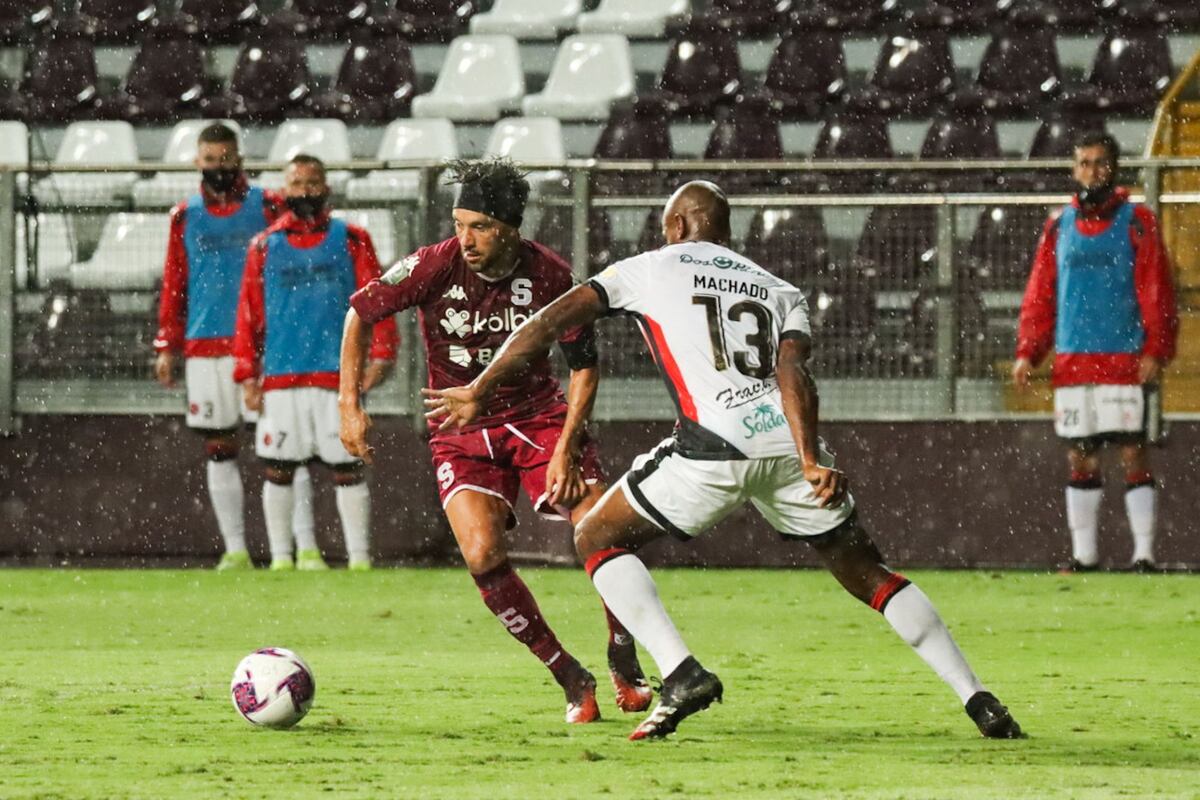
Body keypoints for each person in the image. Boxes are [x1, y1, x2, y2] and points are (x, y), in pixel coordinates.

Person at [424, 180, 1025, 742]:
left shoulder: (652, 267)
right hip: (787, 446)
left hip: (713, 444)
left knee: (596, 536)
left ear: (678, 226)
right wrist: (810, 458)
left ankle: (680, 671)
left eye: (665, 226)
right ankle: (978, 698)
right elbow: (794, 373)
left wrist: (479, 387)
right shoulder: (779, 289)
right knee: (871, 574)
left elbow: (546, 324)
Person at [338, 158, 651, 724]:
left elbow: (584, 366)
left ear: (510, 227)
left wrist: (566, 448)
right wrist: (349, 406)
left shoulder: (551, 276)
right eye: (459, 224)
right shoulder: (434, 265)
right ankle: (569, 675)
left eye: (479, 227)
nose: (466, 240)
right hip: (460, 429)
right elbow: (359, 312)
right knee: (481, 553)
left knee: (600, 526)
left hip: (538, 419)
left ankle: (623, 652)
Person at [1012, 131, 1178, 573]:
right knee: (1079, 455)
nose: (1092, 171)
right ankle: (1084, 556)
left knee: (1132, 452)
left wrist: (1156, 349)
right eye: (1084, 163)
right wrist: (1028, 351)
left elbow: (1157, 289)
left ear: (1114, 168)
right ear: (1074, 169)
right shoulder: (1059, 225)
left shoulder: (1138, 221)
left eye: (1100, 163)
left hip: (1124, 359)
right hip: (1073, 361)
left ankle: (1143, 556)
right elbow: (1041, 292)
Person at [153, 122, 316, 570]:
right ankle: (236, 549)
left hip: (266, 348)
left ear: (239, 159)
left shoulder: (268, 205)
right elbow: (175, 282)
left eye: (225, 159)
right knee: (220, 446)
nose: (219, 167)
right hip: (206, 344)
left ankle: (303, 549)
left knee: (287, 449)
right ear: (197, 162)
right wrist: (167, 343)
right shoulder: (184, 216)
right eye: (211, 160)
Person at [233, 154, 397, 571]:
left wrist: (382, 353)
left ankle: (360, 560)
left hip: (337, 377)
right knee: (279, 469)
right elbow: (249, 315)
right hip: (281, 377)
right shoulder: (264, 246)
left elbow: (378, 301)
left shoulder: (353, 239)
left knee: (347, 469)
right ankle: (280, 559)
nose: (304, 191)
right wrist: (247, 374)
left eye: (312, 183)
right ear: (283, 190)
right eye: (296, 183)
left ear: (326, 187)